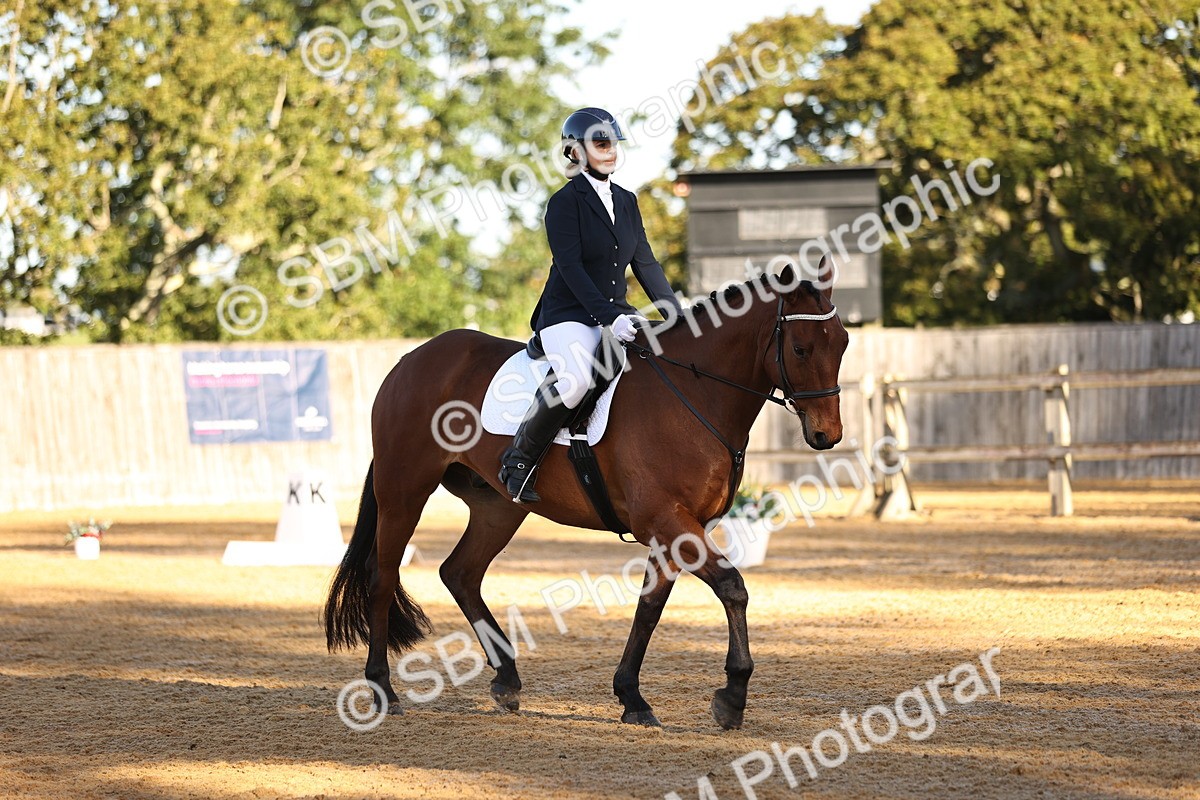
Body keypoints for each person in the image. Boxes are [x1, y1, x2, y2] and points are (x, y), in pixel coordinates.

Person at [498, 106, 684, 503]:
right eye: (601, 142)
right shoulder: (565, 203)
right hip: (568, 315)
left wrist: (675, 312)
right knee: (578, 379)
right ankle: (519, 460)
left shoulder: (628, 201)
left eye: (613, 142)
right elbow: (570, 267)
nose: (610, 149)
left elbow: (645, 263)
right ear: (575, 151)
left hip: (615, 312)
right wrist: (610, 316)